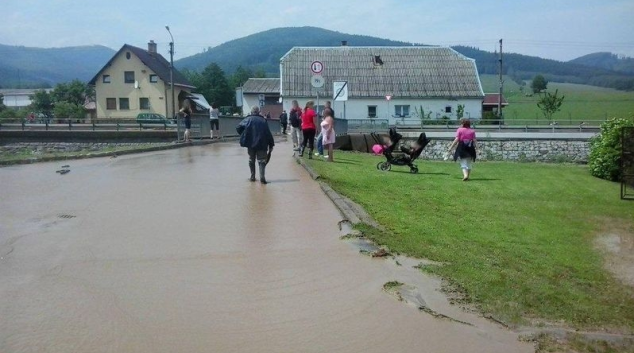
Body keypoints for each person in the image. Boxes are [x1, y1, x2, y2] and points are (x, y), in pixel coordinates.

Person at [236, 106, 275, 184]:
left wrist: (244, 135)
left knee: (251, 159)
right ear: (258, 112)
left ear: (251, 111)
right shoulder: (263, 120)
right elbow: (268, 133)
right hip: (262, 143)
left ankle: (252, 177)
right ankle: (262, 178)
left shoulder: (247, 119)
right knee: (262, 161)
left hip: (250, 143)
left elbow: (238, 127)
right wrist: (271, 144)